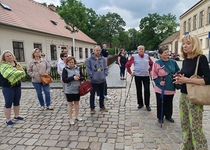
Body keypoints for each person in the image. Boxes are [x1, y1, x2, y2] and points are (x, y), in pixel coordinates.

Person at [174, 34, 210, 150]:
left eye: (188, 43)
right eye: (183, 43)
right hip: (183, 96)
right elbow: (185, 79)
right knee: (185, 125)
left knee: (195, 127)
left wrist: (188, 80)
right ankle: (187, 147)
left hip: (195, 97)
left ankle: (201, 147)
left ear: (195, 45)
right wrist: (179, 80)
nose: (185, 46)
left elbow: (208, 79)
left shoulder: (201, 58)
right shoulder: (185, 60)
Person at [151, 46, 180, 123]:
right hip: (160, 87)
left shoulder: (173, 62)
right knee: (160, 102)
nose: (167, 54)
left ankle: (168, 115)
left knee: (169, 101)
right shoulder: (157, 63)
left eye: (168, 52)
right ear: (160, 54)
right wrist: (159, 82)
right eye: (165, 52)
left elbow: (178, 71)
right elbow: (154, 74)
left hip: (170, 86)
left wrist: (176, 76)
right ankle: (160, 116)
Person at [0, 50, 26, 125]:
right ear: (4, 58)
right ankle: (8, 120)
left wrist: (17, 73)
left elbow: (23, 72)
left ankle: (16, 116)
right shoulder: (3, 66)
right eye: (7, 56)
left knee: (17, 101)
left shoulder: (17, 64)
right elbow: (9, 74)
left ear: (12, 56)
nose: (9, 57)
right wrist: (17, 73)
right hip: (7, 87)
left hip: (17, 86)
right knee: (8, 103)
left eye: (10, 55)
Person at [126, 45, 153, 111]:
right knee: (139, 90)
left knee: (147, 90)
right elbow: (128, 65)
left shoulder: (147, 56)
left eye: (142, 49)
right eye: (140, 49)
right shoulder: (134, 57)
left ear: (144, 50)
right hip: (137, 75)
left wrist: (151, 70)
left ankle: (147, 104)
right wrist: (130, 72)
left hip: (146, 75)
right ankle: (140, 103)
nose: (141, 50)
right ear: (137, 50)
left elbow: (152, 63)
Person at [86, 45, 108, 113]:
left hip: (102, 80)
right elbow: (88, 68)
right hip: (93, 81)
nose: (98, 52)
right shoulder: (89, 59)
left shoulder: (103, 59)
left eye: (99, 50)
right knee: (92, 94)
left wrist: (105, 74)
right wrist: (91, 76)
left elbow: (106, 67)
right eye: (96, 50)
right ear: (94, 51)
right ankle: (92, 108)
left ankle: (102, 106)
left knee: (102, 94)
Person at [62, 56, 84, 125]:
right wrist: (72, 78)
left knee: (77, 103)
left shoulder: (78, 68)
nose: (72, 63)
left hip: (77, 89)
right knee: (70, 104)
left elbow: (83, 77)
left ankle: (77, 116)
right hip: (69, 89)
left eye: (73, 62)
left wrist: (79, 78)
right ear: (67, 63)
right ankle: (71, 118)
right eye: (70, 62)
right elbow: (64, 80)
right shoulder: (65, 69)